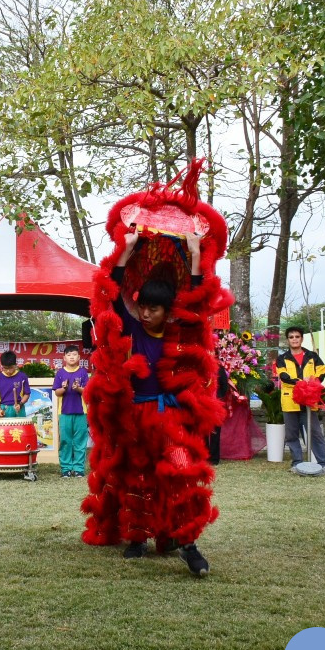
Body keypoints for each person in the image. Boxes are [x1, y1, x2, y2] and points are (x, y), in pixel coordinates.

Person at [102, 227, 211, 575]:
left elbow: (199, 300)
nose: (145, 313)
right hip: (138, 418)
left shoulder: (183, 332)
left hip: (173, 420)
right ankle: (138, 538)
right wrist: (127, 249)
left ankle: (189, 544)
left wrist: (194, 254)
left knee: (182, 473)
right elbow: (113, 295)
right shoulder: (132, 329)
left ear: (168, 311)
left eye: (153, 309)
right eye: (143, 307)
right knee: (138, 478)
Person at [275, 326, 325, 475]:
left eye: (297, 336)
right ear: (288, 340)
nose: (294, 339)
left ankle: (324, 464)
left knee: (315, 433)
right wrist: (302, 382)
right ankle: (297, 463)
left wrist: (313, 381)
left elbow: (322, 370)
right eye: (291, 337)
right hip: (291, 401)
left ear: (302, 338)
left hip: (309, 401)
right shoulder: (282, 358)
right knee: (291, 435)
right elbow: (283, 376)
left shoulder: (312, 356)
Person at [52, 344, 89, 478]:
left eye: (74, 355)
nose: (71, 357)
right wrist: (64, 388)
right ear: (64, 358)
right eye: (69, 355)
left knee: (80, 441)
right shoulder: (60, 373)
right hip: (64, 413)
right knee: (66, 441)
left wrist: (78, 388)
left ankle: (78, 469)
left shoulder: (83, 372)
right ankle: (66, 469)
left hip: (81, 412)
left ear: (79, 357)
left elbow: (87, 392)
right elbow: (57, 393)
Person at [0, 350, 30, 418]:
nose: (8, 371)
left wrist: (20, 404)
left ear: (15, 364)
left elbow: (27, 394)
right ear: (2, 366)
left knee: (19, 428)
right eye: (5, 368)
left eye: (11, 368)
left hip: (18, 408)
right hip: (4, 408)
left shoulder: (22, 376)